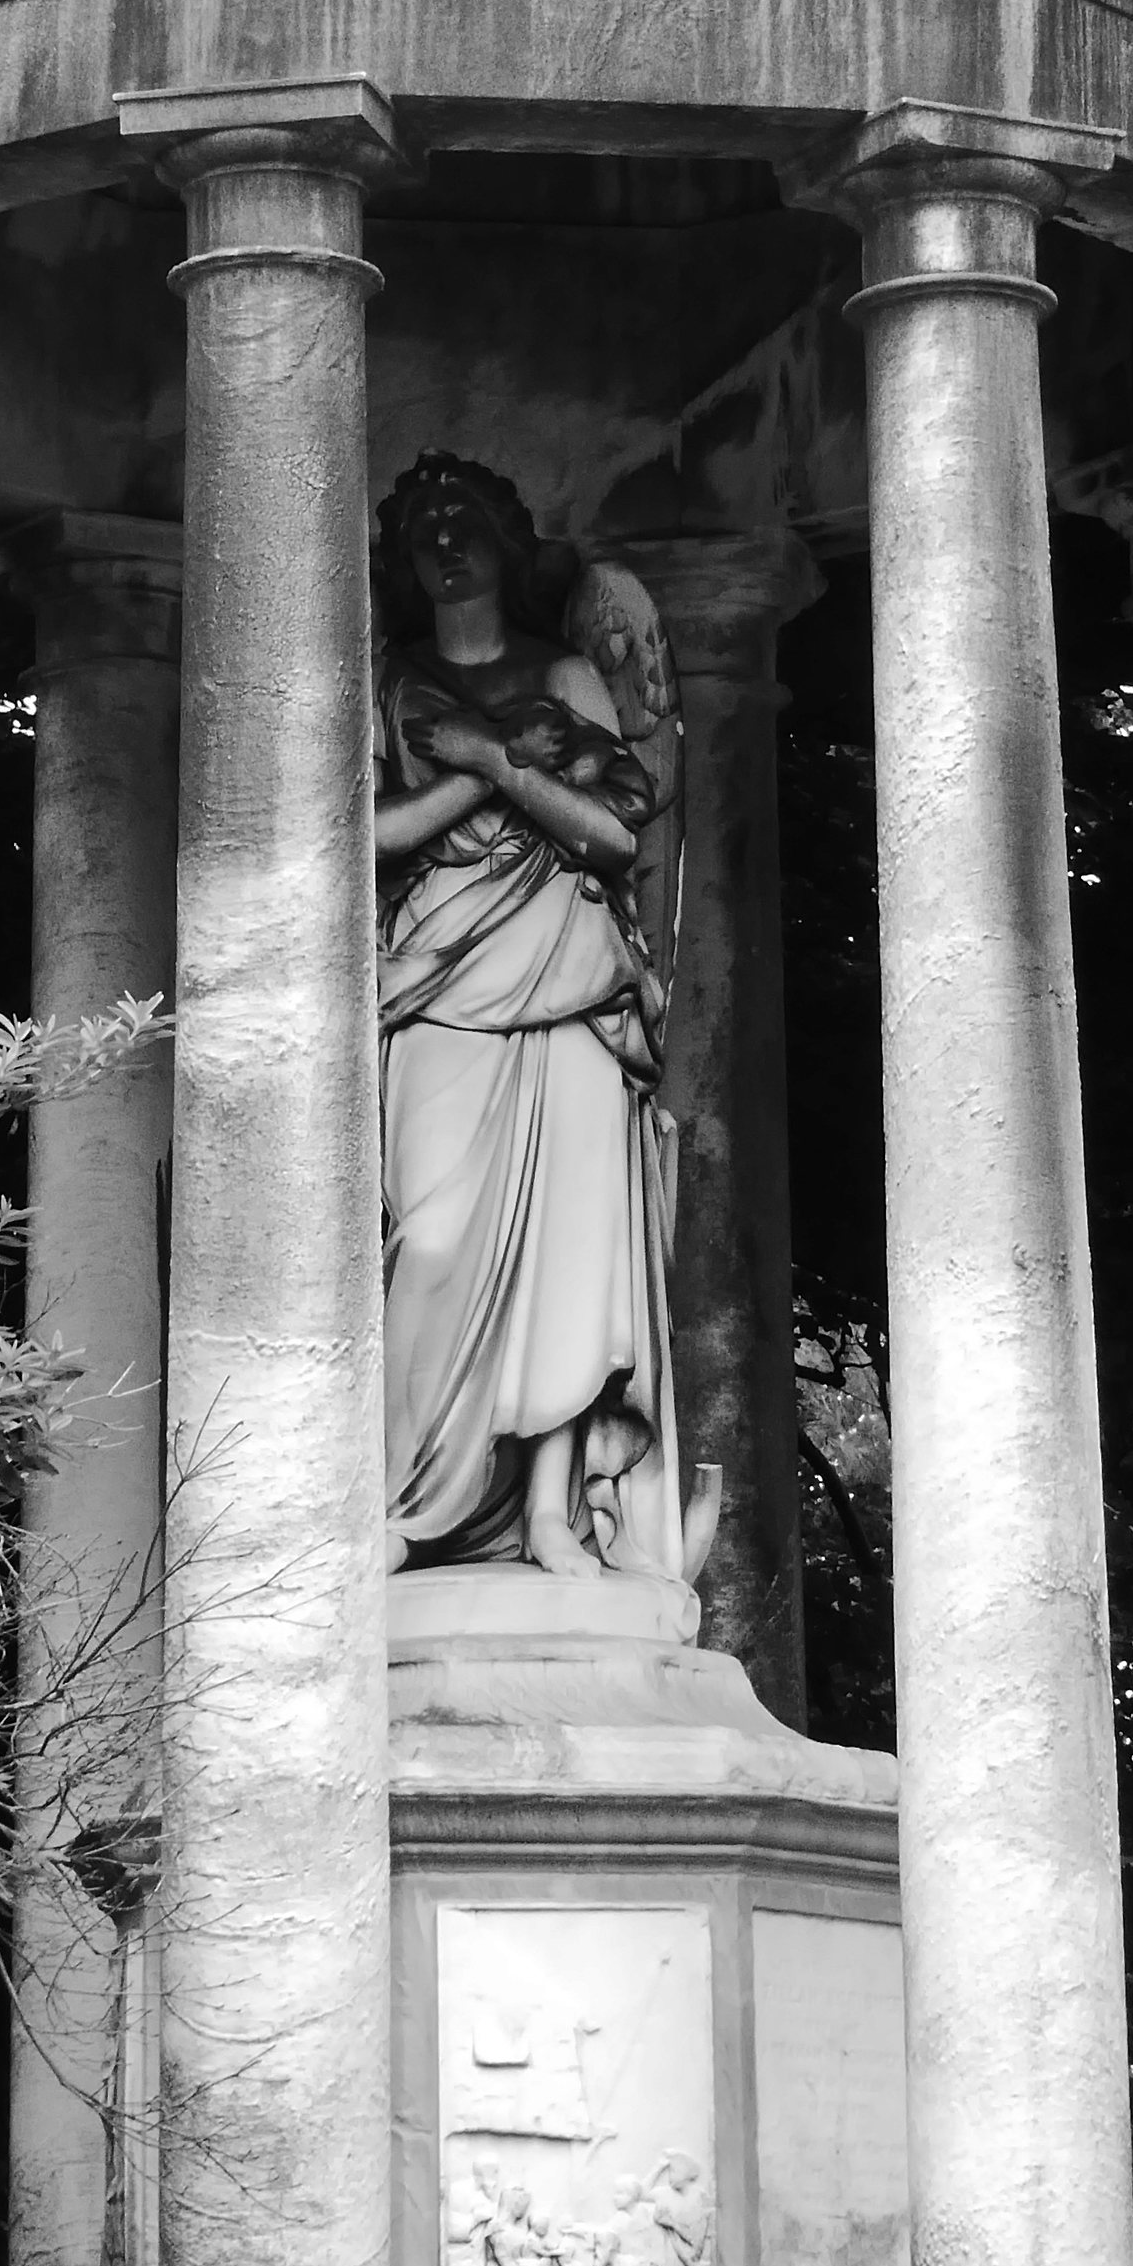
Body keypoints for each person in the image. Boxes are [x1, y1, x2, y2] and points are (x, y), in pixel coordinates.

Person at [371, 454, 683, 1577]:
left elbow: (613, 835)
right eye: (425, 526)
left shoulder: (564, 672)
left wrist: (491, 760)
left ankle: (550, 1515)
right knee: (431, 1238)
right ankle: (408, 1503)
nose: (446, 542)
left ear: (506, 544)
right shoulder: (388, 679)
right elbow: (362, 836)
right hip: (435, 978)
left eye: (466, 522)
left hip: (570, 980)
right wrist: (494, 763)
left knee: (569, 1247)